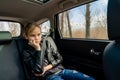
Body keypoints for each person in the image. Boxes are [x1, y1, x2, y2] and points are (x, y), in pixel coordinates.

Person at [22, 22, 95, 80]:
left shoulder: (47, 42)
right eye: (32, 35)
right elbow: (38, 71)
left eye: (39, 34)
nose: (37, 38)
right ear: (26, 36)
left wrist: (46, 68)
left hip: (61, 70)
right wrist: (38, 49)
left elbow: (59, 58)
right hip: (49, 76)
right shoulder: (26, 52)